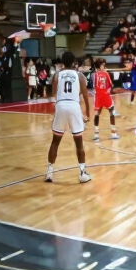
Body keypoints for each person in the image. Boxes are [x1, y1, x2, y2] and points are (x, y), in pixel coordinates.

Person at [45, 49, 92, 184]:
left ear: (62, 63)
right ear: (74, 63)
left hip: (60, 105)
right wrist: (87, 112)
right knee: (79, 142)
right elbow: (85, 95)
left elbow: (54, 92)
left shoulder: (57, 75)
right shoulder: (80, 76)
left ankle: (49, 172)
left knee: (55, 141)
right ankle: (82, 173)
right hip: (74, 106)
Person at [92, 59, 119, 143]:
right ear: (100, 66)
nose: (104, 67)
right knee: (112, 111)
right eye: (103, 65)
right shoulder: (106, 73)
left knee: (97, 114)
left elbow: (94, 86)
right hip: (105, 95)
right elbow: (110, 85)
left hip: (98, 96)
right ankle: (113, 133)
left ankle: (96, 134)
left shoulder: (95, 75)